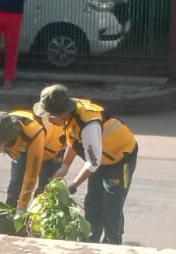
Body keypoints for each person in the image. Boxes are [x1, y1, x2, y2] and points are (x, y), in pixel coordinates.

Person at [38, 85, 138, 245]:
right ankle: (91, 240)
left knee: (112, 205)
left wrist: (72, 186)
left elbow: (93, 163)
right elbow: (73, 139)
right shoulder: (69, 114)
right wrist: (64, 167)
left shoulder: (89, 124)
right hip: (99, 158)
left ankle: (113, 241)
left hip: (119, 158)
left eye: (50, 116)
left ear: (62, 113)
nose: (48, 120)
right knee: (93, 201)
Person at [0, 109, 50, 217]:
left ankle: (38, 224)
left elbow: (32, 173)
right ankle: (10, 220)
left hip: (50, 150)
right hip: (21, 149)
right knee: (15, 187)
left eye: (0, 143)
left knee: (45, 190)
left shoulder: (33, 133)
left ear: (9, 137)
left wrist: (22, 206)